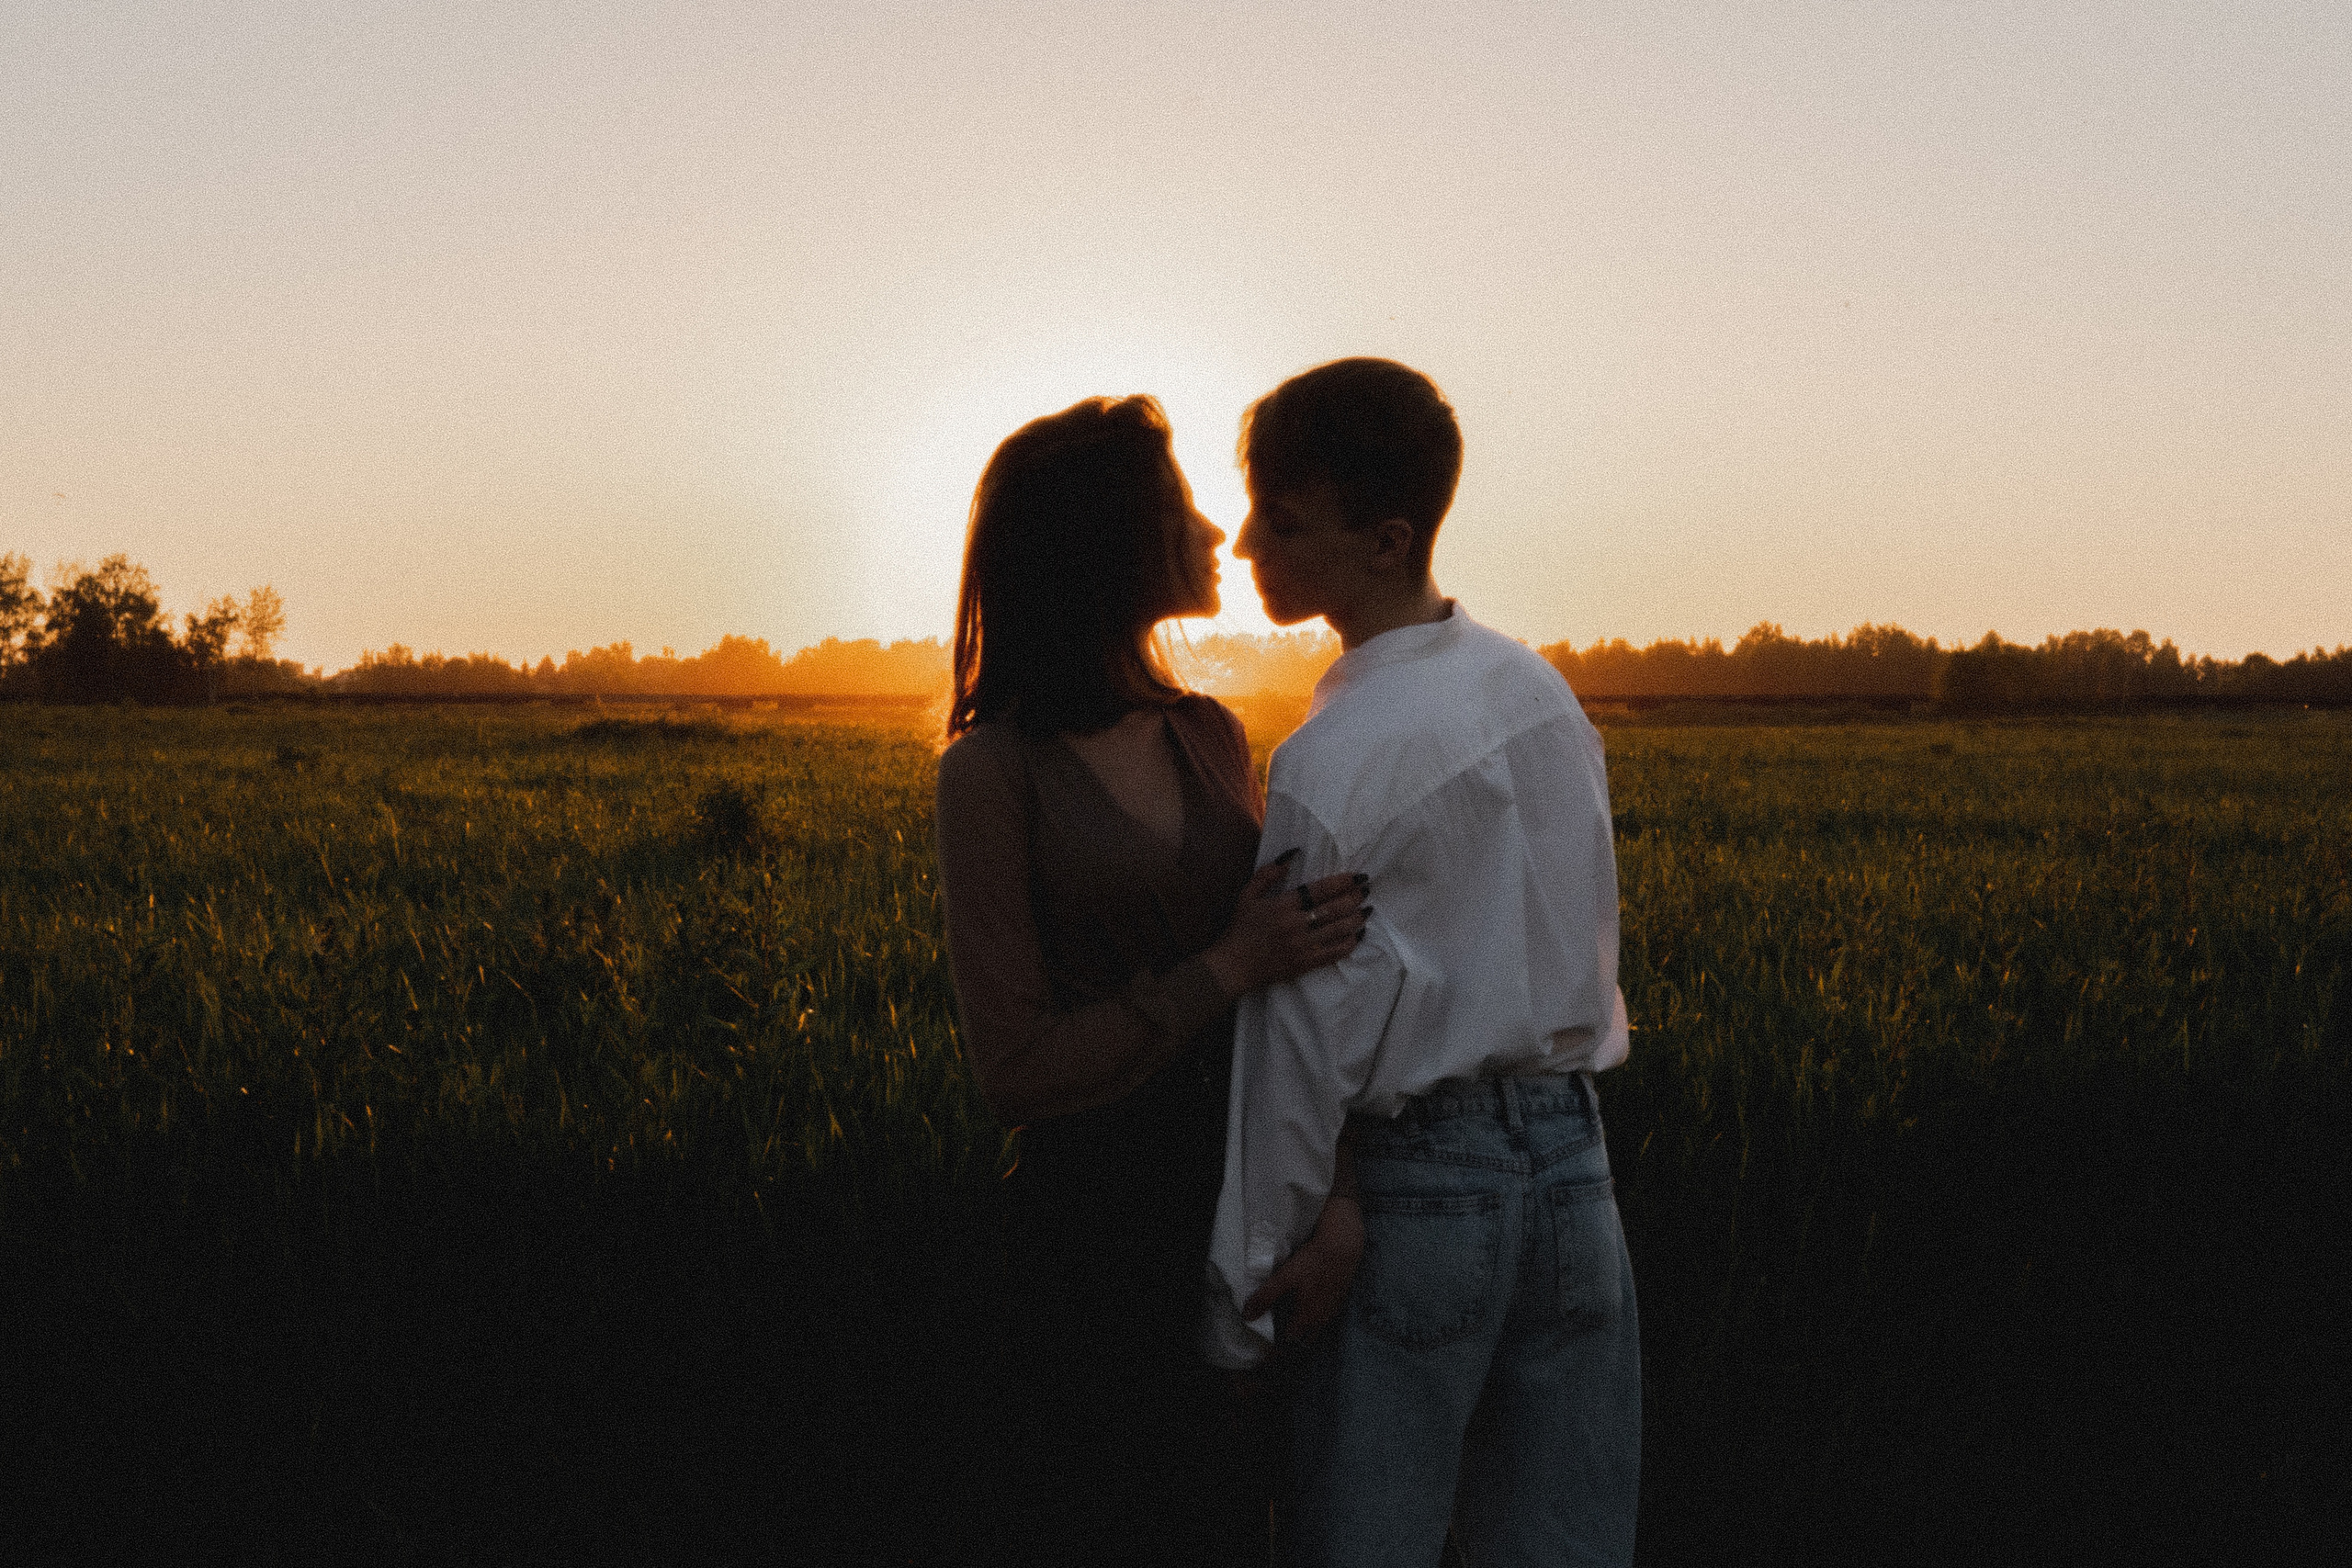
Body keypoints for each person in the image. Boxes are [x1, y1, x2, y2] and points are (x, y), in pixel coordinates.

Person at [1201, 359, 1641, 1567]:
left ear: (1387, 538)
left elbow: (1297, 1050)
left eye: (1282, 519)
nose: (1244, 543)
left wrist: (1240, 1308)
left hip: (1417, 1197)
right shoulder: (1546, 698)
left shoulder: (1331, 760)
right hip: (1576, 1173)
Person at [933, 394, 1371, 1564]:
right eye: (1182, 507)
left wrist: (1334, 1204)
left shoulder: (1211, 735)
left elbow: (1305, 998)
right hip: (1094, 1248)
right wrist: (1225, 964)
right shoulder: (991, 774)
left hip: (1251, 1204)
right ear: (1109, 543)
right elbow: (1013, 1071)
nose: (1217, 533)